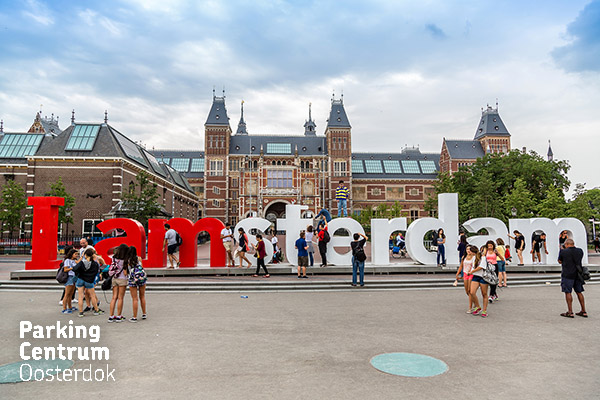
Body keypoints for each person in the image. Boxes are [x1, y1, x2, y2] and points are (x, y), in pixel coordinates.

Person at [557, 239, 587, 318]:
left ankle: (570, 312)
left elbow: (560, 261)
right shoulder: (580, 251)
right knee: (579, 292)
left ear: (566, 244)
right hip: (578, 274)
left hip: (567, 274)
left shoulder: (563, 251)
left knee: (568, 292)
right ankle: (583, 311)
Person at [72, 248, 103, 318]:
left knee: (80, 296)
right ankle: (96, 310)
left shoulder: (82, 262)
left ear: (85, 255)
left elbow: (75, 269)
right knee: (92, 295)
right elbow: (96, 272)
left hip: (81, 279)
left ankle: (80, 312)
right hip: (89, 281)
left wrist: (79, 273)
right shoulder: (95, 264)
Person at [108, 244, 129, 323]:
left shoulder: (114, 258)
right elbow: (125, 272)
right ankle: (119, 316)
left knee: (114, 297)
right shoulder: (125, 259)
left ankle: (111, 316)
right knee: (120, 298)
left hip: (114, 278)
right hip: (122, 279)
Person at [127, 246, 147, 322]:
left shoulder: (127, 261)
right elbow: (142, 268)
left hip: (132, 280)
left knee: (135, 299)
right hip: (141, 279)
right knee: (142, 296)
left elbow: (126, 272)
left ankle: (134, 317)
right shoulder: (139, 258)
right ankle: (144, 313)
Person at [469, 245, 490, 317]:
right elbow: (473, 266)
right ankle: (478, 306)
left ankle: (484, 310)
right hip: (475, 276)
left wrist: (472, 271)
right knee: (472, 292)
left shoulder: (483, 257)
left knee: (484, 293)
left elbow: (481, 266)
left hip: (483, 276)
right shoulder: (474, 257)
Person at [456, 245, 475, 313]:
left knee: (470, 291)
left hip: (471, 274)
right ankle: (475, 301)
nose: (468, 251)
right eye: (467, 249)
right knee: (467, 291)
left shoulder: (474, 257)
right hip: (465, 274)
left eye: (470, 249)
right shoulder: (464, 257)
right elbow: (461, 266)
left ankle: (470, 307)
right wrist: (457, 273)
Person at [61, 249, 78, 314]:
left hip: (74, 277)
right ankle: (64, 308)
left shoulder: (74, 261)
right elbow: (65, 269)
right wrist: (72, 268)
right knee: (67, 293)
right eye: (75, 254)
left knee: (71, 293)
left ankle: (70, 306)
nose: (76, 255)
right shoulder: (67, 260)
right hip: (69, 277)